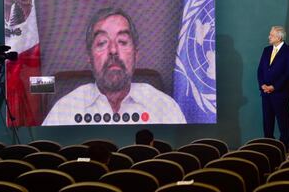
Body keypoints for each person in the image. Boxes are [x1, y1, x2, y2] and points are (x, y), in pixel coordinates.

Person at [42, 7, 186, 125]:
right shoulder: (65, 110)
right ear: (89, 58)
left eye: (122, 41)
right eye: (102, 42)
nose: (113, 50)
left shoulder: (165, 107)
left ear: (136, 55)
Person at [257, 26, 289, 149]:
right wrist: (262, 85)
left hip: (280, 93)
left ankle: (283, 146)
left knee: (283, 121)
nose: (269, 37)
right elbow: (260, 70)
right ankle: (269, 146)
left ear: (279, 37)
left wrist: (274, 87)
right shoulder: (266, 50)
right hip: (266, 93)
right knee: (267, 122)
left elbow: (288, 73)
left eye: (271, 35)